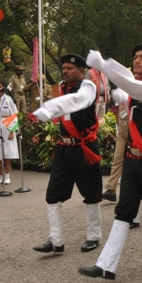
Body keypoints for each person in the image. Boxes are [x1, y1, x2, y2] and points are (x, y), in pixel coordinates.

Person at [80, 43, 142, 280]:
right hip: (132, 159)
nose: (137, 60)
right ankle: (106, 265)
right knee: (124, 210)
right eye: (135, 57)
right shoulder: (132, 87)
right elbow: (128, 86)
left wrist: (104, 67)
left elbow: (135, 88)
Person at [32, 54, 103, 254]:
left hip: (85, 148)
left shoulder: (87, 87)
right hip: (65, 148)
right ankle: (56, 240)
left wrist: (51, 107)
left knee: (91, 193)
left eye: (69, 68)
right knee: (53, 195)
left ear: (80, 71)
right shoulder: (61, 88)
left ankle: (93, 236)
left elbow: (79, 100)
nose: (65, 71)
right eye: (63, 68)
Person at [102, 83, 130, 203]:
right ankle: (111, 189)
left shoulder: (135, 88)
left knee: (141, 160)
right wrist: (119, 128)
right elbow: (118, 111)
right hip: (123, 132)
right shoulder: (120, 90)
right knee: (117, 160)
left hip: (136, 132)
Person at [0, 81, 19, 184]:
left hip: (7, 125)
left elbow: (14, 115)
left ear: (4, 88)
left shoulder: (9, 100)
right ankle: (1, 176)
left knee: (7, 152)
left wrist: (12, 131)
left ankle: (7, 176)